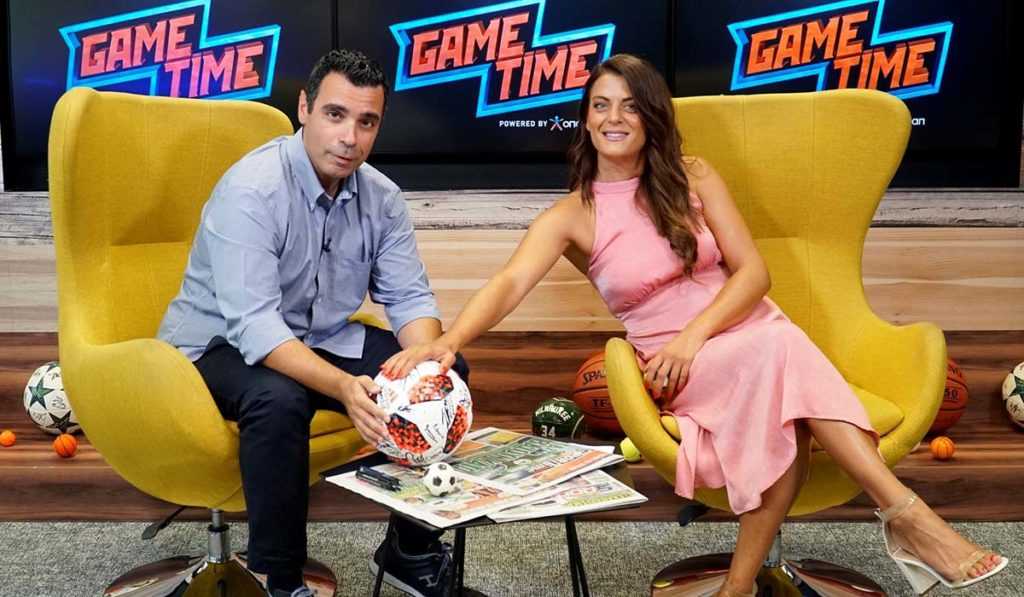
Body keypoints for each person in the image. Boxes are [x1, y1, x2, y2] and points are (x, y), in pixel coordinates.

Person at [379, 54, 1006, 596]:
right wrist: (447, 342)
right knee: (781, 351)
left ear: (652, 116)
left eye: (630, 105)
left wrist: (694, 334)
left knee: (778, 365)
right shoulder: (571, 216)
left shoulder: (694, 176)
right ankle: (907, 516)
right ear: (586, 120)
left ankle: (740, 585)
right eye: (601, 105)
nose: (614, 118)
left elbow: (753, 274)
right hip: (677, 366)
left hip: (734, 333)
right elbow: (509, 283)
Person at [157, 49, 467, 597]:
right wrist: (345, 387)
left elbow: (409, 297)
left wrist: (422, 370)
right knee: (280, 397)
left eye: (366, 122)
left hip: (320, 338)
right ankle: (280, 579)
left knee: (447, 370)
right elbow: (256, 328)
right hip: (216, 346)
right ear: (304, 108)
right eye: (335, 115)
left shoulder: (382, 198)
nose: (350, 138)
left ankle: (409, 551)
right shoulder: (252, 190)